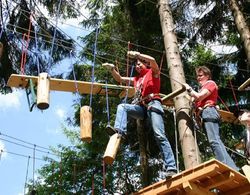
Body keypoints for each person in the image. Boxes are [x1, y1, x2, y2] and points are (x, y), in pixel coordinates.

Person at [102, 51, 177, 179]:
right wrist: (112, 69)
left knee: (159, 135)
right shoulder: (136, 79)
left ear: (145, 64)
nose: (137, 66)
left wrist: (138, 55)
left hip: (153, 104)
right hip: (142, 108)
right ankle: (120, 131)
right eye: (135, 65)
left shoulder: (152, 72)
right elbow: (120, 79)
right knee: (122, 107)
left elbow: (152, 60)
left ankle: (171, 167)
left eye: (139, 64)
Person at [184, 66, 239, 171]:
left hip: (209, 111)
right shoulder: (203, 88)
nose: (198, 78)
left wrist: (189, 89)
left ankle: (226, 166)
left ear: (207, 76)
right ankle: (230, 166)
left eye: (201, 76)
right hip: (205, 114)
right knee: (214, 141)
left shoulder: (210, 83)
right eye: (197, 76)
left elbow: (199, 96)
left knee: (214, 141)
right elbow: (197, 101)